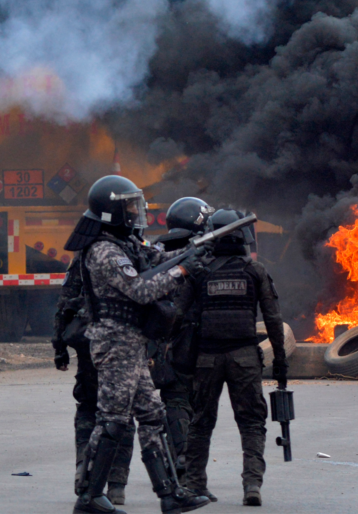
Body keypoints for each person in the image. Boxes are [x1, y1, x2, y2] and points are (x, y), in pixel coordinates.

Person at [67, 175, 210, 514]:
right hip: (116, 345)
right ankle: (88, 497)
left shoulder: (124, 245)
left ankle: (170, 494)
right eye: (130, 205)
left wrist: (188, 252)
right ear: (112, 211)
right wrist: (183, 271)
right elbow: (141, 290)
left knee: (152, 415)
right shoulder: (104, 251)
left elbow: (155, 259)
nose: (136, 211)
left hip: (130, 343)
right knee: (113, 419)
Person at [180, 209, 287, 507]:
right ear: (243, 237)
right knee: (252, 423)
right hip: (244, 359)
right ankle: (252, 484)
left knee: (200, 423)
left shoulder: (200, 272)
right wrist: (280, 361)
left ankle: (194, 485)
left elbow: (178, 315)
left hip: (206, 359)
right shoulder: (255, 271)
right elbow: (274, 320)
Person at [54, 256, 137, 506]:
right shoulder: (130, 254)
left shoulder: (81, 258)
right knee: (123, 413)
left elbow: (64, 305)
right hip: (125, 343)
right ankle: (117, 484)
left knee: (88, 410)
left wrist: (59, 347)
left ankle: (84, 470)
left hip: (89, 340)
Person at [148, 197, 215, 495]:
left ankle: (184, 468)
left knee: (178, 403)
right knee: (183, 404)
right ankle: (186, 471)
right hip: (186, 340)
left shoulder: (158, 252)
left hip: (169, 341)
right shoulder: (196, 256)